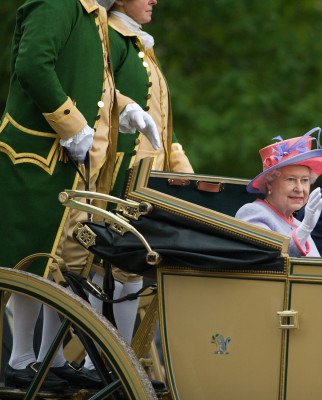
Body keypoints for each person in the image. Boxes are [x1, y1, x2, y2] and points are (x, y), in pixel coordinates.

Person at [0, 0, 160, 390]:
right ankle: (22, 357)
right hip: (36, 158)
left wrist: (126, 110)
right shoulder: (58, 3)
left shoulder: (91, 15)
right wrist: (70, 125)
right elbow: (33, 65)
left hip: (66, 163)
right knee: (25, 260)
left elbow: (96, 89)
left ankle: (29, 358)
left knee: (46, 262)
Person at [83, 0, 194, 369]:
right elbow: (98, 101)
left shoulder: (137, 43)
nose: (154, 1)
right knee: (109, 263)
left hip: (148, 179)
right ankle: (96, 358)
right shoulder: (111, 38)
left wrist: (182, 171)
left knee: (132, 267)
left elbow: (163, 126)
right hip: (123, 173)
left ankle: (121, 356)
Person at [236, 128, 322, 257]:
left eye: (305, 180)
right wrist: (304, 229)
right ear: (269, 183)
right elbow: (271, 259)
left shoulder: (298, 224)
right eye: (291, 179)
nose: (299, 188)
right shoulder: (253, 213)